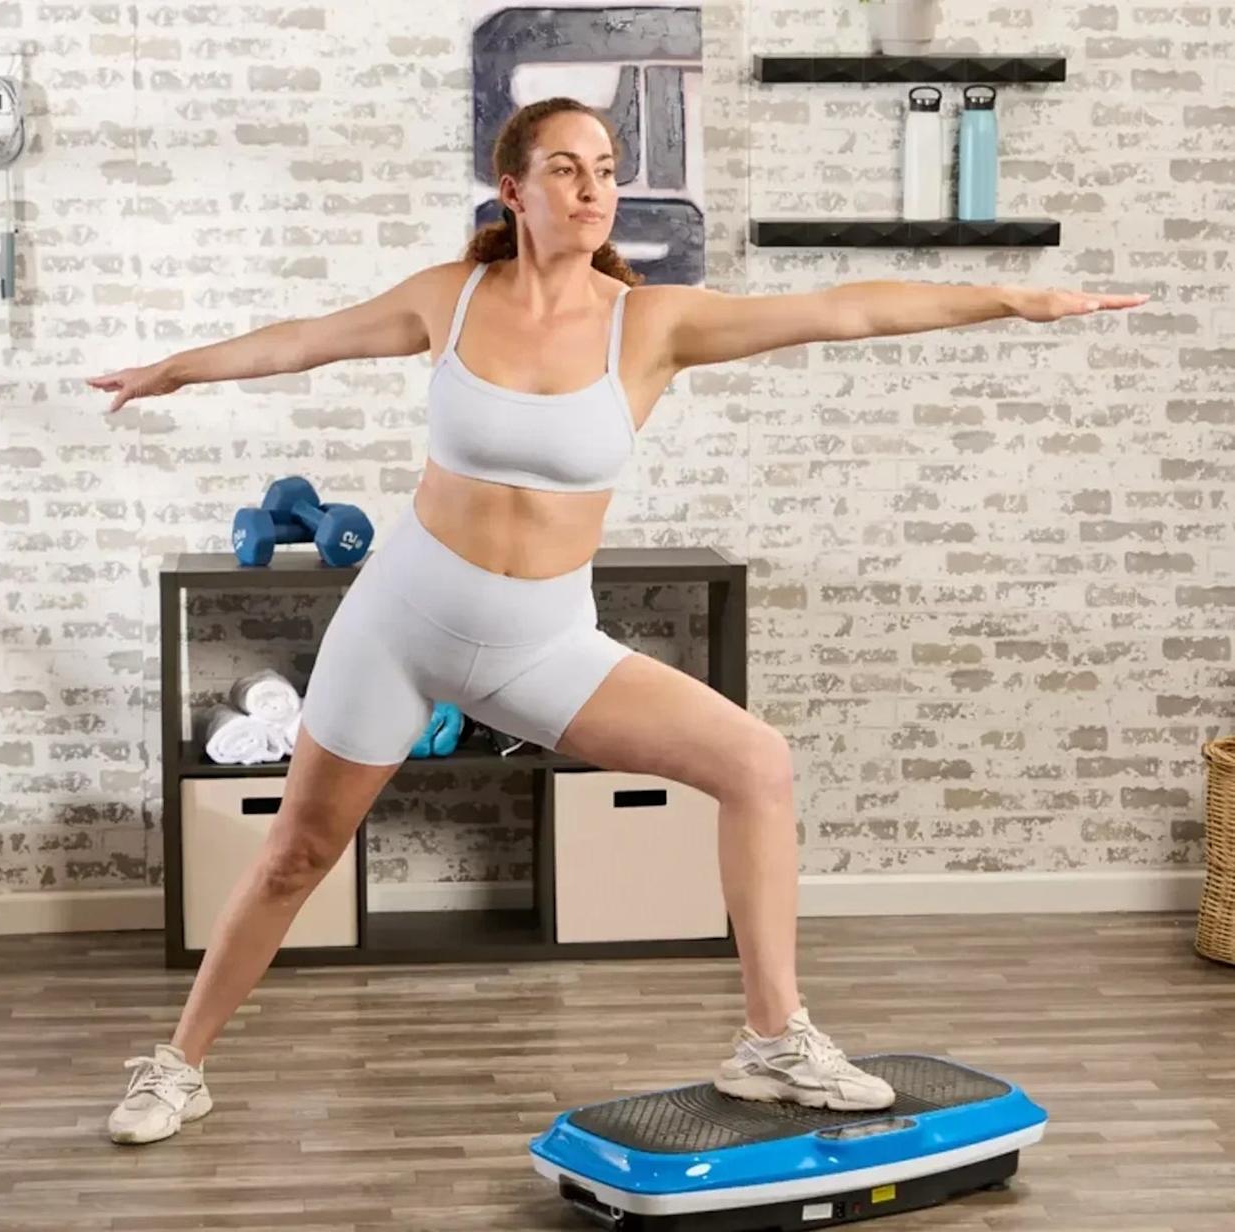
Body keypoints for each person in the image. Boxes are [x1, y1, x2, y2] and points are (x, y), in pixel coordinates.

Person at [90, 96, 1149, 1146]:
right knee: (295, 853)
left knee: (755, 761)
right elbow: (306, 341)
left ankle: (774, 1037)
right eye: (565, 167)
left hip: (540, 646)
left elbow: (844, 309)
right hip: (400, 619)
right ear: (513, 191)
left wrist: (1010, 297)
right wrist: (174, 368)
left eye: (604, 167)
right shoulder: (448, 300)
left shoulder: (651, 323)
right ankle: (178, 1065)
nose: (594, 187)